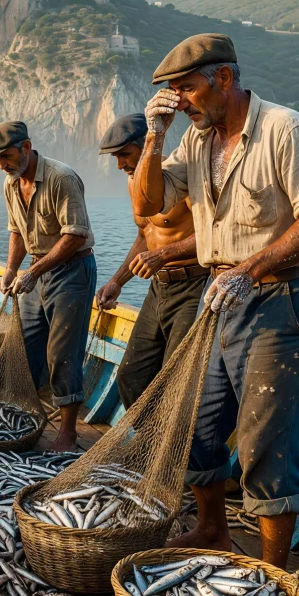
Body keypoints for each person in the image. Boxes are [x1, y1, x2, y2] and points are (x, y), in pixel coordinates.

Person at [129, 33, 299, 569]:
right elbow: (149, 205)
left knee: (265, 445)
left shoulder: (283, 128)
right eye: (172, 93)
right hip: (219, 300)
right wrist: (155, 137)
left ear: (224, 78)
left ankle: (272, 570)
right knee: (195, 427)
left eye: (187, 89)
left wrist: (250, 270)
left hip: (279, 300)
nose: (181, 101)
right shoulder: (197, 140)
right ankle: (212, 531)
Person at [0, 121, 97, 452]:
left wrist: (35, 272)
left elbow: (75, 235)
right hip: (35, 271)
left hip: (71, 270)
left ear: (27, 147)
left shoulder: (62, 178)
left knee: (63, 353)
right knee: (26, 347)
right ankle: (26, 417)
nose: (2, 165)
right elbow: (17, 231)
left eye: (6, 156)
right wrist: (11, 270)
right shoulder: (11, 184)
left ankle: (68, 432)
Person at [93, 114, 206, 411]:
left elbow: (217, 233)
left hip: (193, 287)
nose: (120, 165)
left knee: (175, 379)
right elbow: (145, 236)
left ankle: (174, 452)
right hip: (158, 290)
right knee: (131, 377)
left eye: (124, 155)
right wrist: (117, 281)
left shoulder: (183, 178)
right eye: (115, 158)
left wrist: (164, 255)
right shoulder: (135, 184)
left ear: (147, 146)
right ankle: (150, 442)